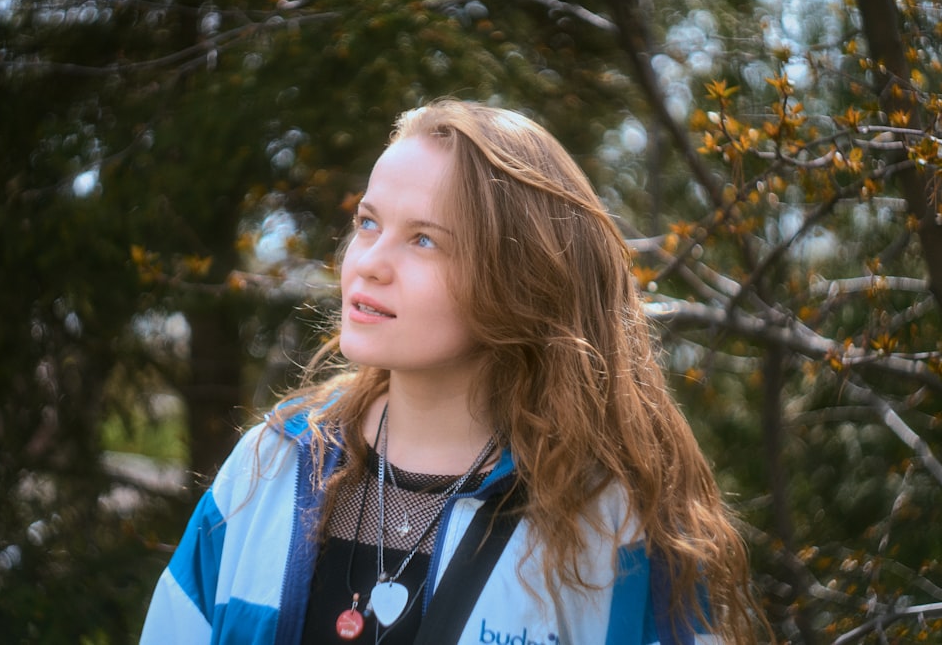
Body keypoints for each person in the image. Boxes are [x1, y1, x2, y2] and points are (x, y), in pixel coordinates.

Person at [140, 100, 766, 644]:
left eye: (424, 241)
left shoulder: (608, 519)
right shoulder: (270, 465)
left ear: (521, 280)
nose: (369, 264)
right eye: (368, 223)